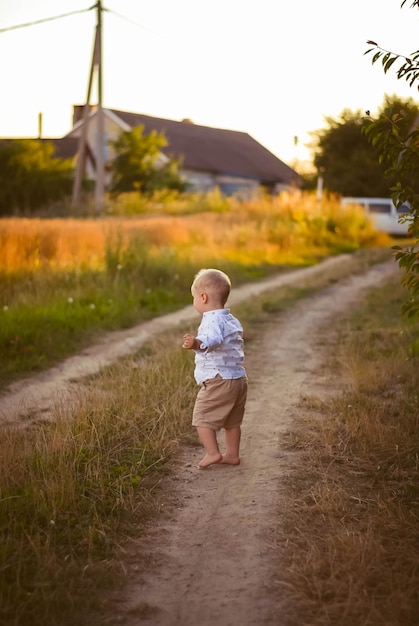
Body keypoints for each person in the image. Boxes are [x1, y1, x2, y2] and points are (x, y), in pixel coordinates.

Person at [182, 268, 247, 469]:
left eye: (194, 298)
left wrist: (196, 343)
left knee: (201, 418)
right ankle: (233, 455)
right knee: (232, 421)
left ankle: (213, 453)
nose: (194, 302)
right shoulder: (230, 318)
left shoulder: (211, 319)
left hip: (218, 379)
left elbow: (213, 340)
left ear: (203, 297)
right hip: (238, 379)